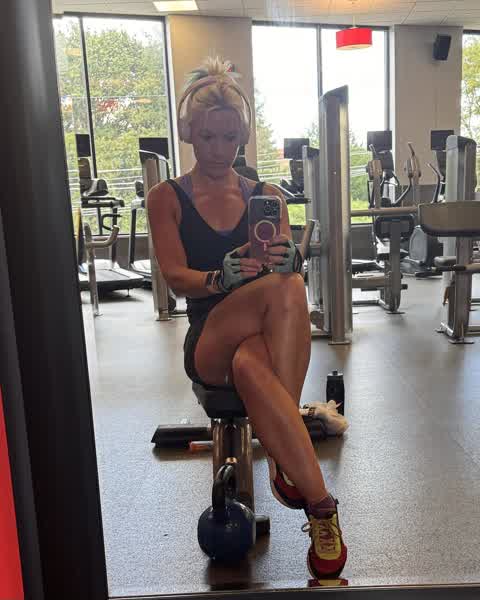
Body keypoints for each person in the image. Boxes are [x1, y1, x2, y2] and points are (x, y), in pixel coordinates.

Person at [148, 57, 347, 579]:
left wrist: (290, 257)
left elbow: (284, 267)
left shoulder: (267, 197)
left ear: (243, 136)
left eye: (230, 138)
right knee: (285, 288)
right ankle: (287, 451)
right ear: (189, 133)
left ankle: (318, 504)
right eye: (208, 137)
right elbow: (175, 277)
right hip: (209, 337)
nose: (219, 150)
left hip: (261, 340)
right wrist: (221, 278)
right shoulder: (166, 197)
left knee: (266, 332)